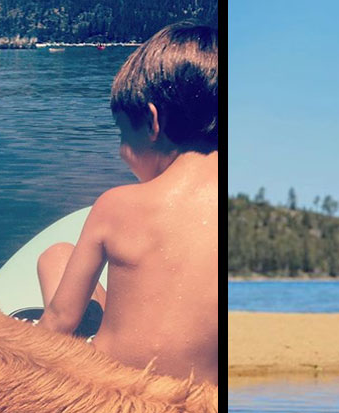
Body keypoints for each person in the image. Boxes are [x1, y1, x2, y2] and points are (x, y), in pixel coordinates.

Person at [35, 23, 218, 385]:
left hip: (113, 396)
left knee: (53, 257)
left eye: (122, 134)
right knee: (59, 253)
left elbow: (58, 322)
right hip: (200, 406)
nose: (121, 152)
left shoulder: (115, 205)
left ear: (151, 122)